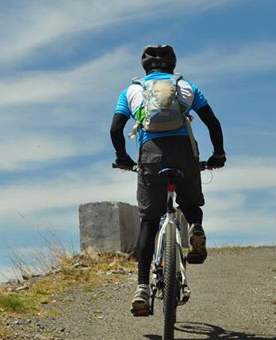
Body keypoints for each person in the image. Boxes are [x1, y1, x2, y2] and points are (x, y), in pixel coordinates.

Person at [111, 44, 226, 316]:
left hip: (150, 157)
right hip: (185, 154)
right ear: (172, 65)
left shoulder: (131, 90)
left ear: (144, 67)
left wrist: (123, 158)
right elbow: (213, 123)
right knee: (189, 202)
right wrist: (218, 154)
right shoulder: (187, 87)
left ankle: (141, 287)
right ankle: (196, 226)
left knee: (149, 220)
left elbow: (116, 129)